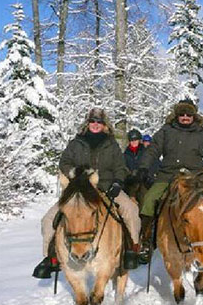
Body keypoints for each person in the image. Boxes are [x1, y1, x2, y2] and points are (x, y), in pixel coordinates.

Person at [33, 108, 141, 278]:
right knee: (48, 219)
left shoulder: (111, 144)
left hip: (105, 187)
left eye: (99, 122)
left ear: (105, 125)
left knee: (130, 210)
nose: (96, 125)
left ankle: (132, 249)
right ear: (88, 123)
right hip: (79, 189)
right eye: (93, 121)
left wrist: (118, 182)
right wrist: (75, 173)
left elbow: (120, 167)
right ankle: (50, 258)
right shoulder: (76, 143)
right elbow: (64, 162)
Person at [137, 99, 203, 263]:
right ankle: (146, 240)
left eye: (188, 114)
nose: (185, 117)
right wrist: (143, 167)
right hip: (169, 174)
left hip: (197, 173)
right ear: (177, 115)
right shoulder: (166, 131)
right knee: (149, 199)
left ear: (193, 116)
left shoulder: (201, 132)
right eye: (182, 114)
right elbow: (153, 150)